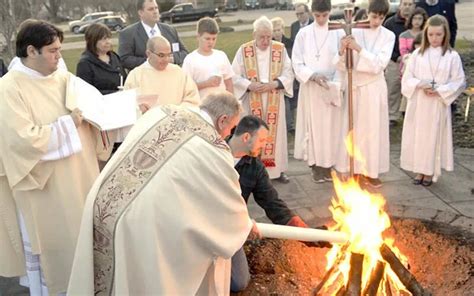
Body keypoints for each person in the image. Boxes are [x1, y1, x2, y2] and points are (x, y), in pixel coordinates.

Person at [67, 92, 254, 295]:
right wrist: (245, 225)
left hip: (103, 203)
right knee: (142, 278)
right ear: (222, 120)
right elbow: (227, 207)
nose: (228, 134)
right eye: (231, 128)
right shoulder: (213, 149)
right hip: (139, 224)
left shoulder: (162, 112)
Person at [0, 20, 110, 295]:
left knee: (85, 249)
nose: (59, 56)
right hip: (45, 191)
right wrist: (68, 125)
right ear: (31, 51)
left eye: (60, 49)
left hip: (80, 179)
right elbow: (22, 140)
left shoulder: (64, 78)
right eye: (52, 50)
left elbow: (97, 110)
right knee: (56, 261)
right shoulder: (9, 88)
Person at [228, 115, 311, 292]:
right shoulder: (215, 151)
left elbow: (271, 202)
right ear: (246, 137)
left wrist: (301, 229)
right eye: (262, 139)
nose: (265, 145)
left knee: (239, 282)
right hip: (204, 220)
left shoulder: (255, 167)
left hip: (231, 228)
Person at [335, 0, 395, 188]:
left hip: (373, 88)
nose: (376, 20)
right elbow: (341, 64)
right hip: (356, 86)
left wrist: (359, 49)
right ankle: (354, 168)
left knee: (372, 130)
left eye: (381, 17)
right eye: (373, 16)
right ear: (367, 13)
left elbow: (379, 64)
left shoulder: (388, 35)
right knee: (354, 130)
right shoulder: (356, 31)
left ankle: (372, 171)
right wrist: (343, 49)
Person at [400, 15, 465, 186]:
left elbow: (458, 82)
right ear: (426, 34)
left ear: (445, 35)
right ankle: (419, 170)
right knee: (418, 137)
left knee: (432, 138)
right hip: (419, 103)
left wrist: (439, 90)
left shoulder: (452, 56)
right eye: (431, 35)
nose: (434, 39)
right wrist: (421, 84)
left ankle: (429, 172)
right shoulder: (417, 54)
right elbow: (407, 78)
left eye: (438, 35)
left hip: (437, 105)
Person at [232, 16, 294, 183]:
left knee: (276, 136)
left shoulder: (280, 50)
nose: (266, 40)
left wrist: (275, 83)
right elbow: (234, 76)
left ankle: (277, 171)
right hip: (252, 101)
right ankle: (253, 173)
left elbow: (289, 73)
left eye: (269, 36)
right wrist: (249, 85)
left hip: (274, 100)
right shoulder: (244, 51)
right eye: (262, 37)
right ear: (254, 35)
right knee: (254, 135)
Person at [293, 0, 345, 183]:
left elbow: (344, 59)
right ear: (312, 13)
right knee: (314, 127)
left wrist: (335, 82)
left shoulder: (338, 31)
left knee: (331, 127)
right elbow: (297, 61)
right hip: (312, 87)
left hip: (330, 85)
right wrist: (312, 76)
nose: (321, 19)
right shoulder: (304, 34)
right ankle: (316, 166)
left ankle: (329, 164)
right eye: (317, 16)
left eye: (325, 15)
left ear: (330, 12)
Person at [124, 35, 200, 107]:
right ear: (149, 54)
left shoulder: (179, 73)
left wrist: (178, 111)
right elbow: (128, 105)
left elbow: (192, 98)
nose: (166, 60)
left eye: (169, 55)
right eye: (161, 55)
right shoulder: (135, 76)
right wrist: (139, 109)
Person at [118, 0, 188, 71]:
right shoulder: (128, 34)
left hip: (169, 76)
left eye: (156, 8)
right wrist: (150, 61)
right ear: (141, 13)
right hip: (144, 78)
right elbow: (124, 59)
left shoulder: (170, 30)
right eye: (151, 9)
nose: (155, 12)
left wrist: (172, 59)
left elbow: (184, 53)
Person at [182, 17, 234, 100]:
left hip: (222, 105)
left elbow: (229, 83)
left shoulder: (221, 56)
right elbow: (186, 88)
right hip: (201, 106)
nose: (211, 42)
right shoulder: (190, 60)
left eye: (214, 39)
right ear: (198, 37)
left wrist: (231, 102)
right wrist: (206, 83)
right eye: (207, 39)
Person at [383, 0, 416, 125]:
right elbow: (385, 42)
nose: (407, 7)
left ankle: (410, 114)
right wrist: (395, 56)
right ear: (400, 5)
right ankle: (392, 116)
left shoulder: (419, 22)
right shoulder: (390, 23)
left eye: (410, 4)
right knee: (393, 88)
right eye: (405, 4)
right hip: (394, 60)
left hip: (414, 62)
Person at [76, 23, 127, 95]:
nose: (108, 42)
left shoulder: (114, 57)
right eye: (103, 39)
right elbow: (85, 92)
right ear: (92, 41)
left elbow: (124, 78)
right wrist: (115, 93)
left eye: (109, 38)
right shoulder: (85, 64)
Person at [290, 3, 313, 132]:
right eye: (297, 14)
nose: (299, 16)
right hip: (299, 64)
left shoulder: (313, 24)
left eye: (301, 13)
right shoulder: (294, 27)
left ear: (308, 12)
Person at [271, 17, 295, 134]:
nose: (276, 32)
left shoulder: (289, 43)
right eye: (274, 30)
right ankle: (283, 125)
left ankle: (290, 125)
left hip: (288, 75)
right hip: (275, 77)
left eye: (278, 29)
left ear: (282, 30)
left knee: (290, 103)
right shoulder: (269, 45)